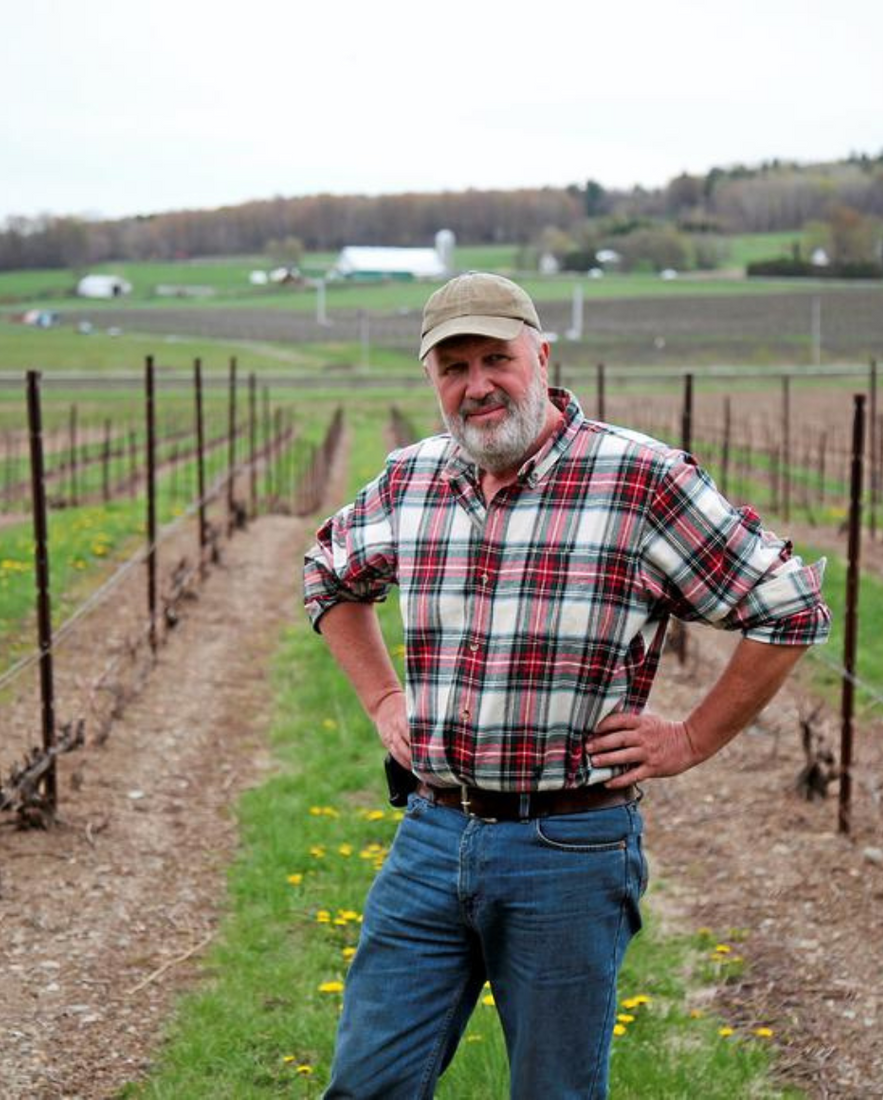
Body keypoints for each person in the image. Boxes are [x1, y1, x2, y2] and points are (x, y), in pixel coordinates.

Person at [303, 272, 831, 1099]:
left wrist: (690, 739)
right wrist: (382, 699)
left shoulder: (639, 479)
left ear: (541, 356)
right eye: (453, 367)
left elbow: (788, 603)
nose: (476, 386)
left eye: (495, 359)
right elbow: (330, 575)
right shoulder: (412, 479)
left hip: (570, 848)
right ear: (432, 380)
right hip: (432, 833)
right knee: (366, 1085)